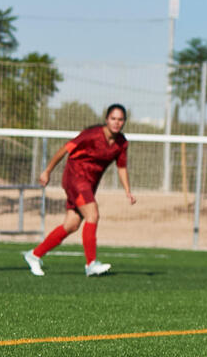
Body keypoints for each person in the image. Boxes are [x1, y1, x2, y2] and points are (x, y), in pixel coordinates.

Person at [22, 104, 136, 277]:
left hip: (89, 184)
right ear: (106, 119)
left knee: (72, 224)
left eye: (120, 119)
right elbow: (65, 149)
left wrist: (128, 191)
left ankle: (34, 255)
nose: (116, 122)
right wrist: (47, 171)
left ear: (124, 122)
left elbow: (121, 168)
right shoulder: (92, 135)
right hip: (75, 178)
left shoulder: (122, 143)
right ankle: (91, 264)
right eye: (113, 118)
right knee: (93, 214)